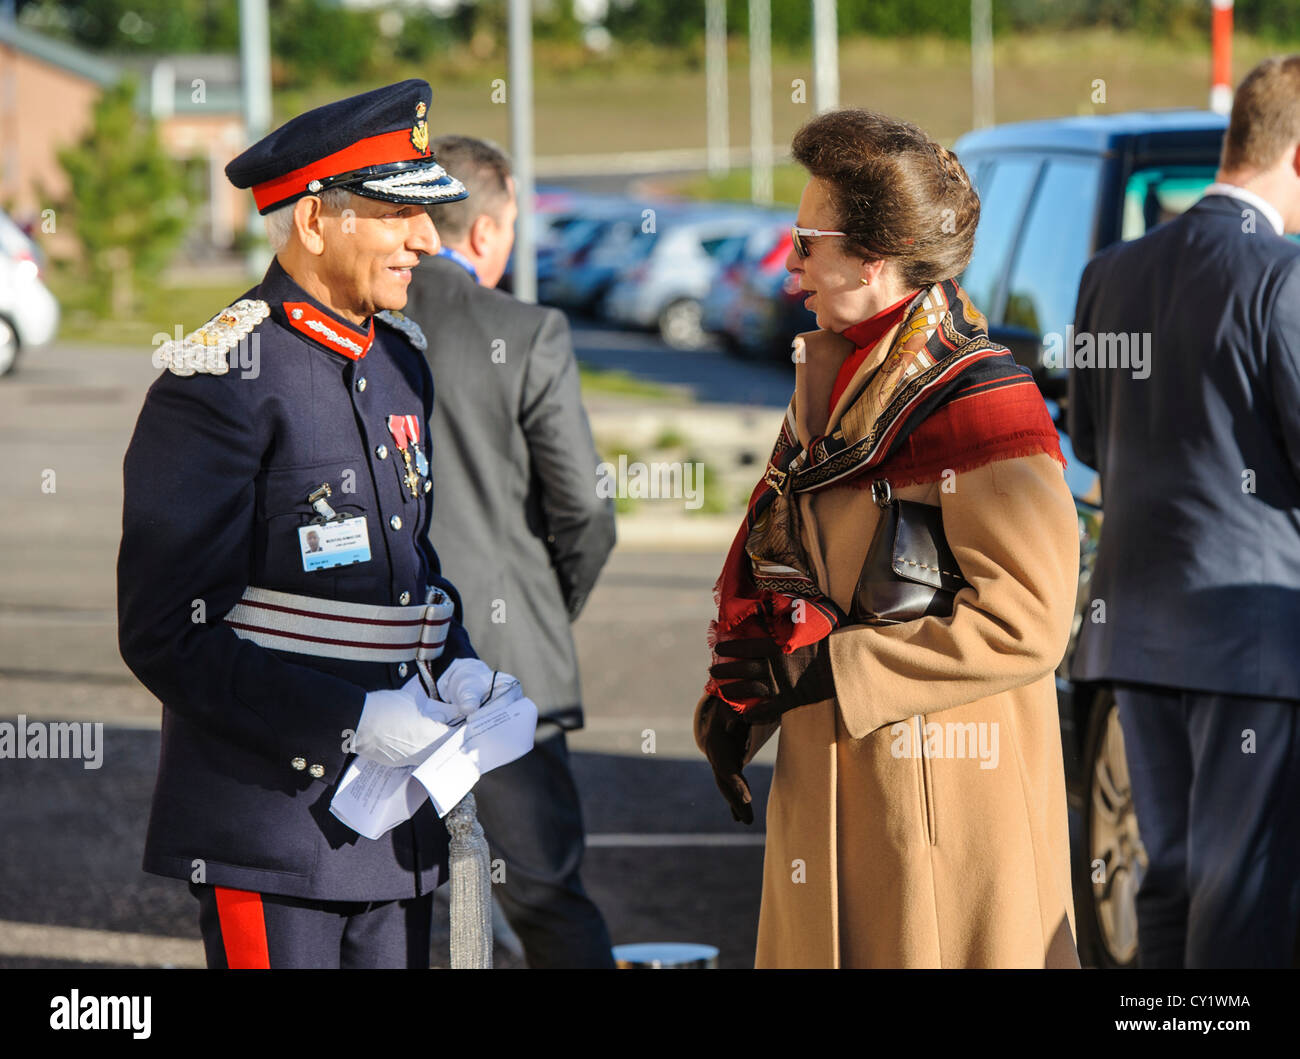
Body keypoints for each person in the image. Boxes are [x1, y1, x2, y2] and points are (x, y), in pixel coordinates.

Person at [118, 80, 510, 969]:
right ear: (313, 220)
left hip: (394, 833)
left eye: (430, 217)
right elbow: (166, 633)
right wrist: (353, 718)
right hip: (274, 829)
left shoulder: (401, 363)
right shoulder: (219, 379)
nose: (427, 240)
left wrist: (463, 671)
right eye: (396, 216)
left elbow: (408, 568)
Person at [696, 108, 1080, 968]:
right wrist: (741, 701)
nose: (789, 264)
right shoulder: (835, 373)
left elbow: (1029, 623)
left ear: (871, 258)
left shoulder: (984, 400)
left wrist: (833, 669)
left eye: (806, 241)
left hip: (936, 814)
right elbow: (792, 569)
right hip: (834, 786)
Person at [1069, 56, 1300, 968]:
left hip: (1133, 627)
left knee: (1169, 883)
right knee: (1241, 897)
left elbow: (1089, 442)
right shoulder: (1281, 277)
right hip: (1249, 637)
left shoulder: (1109, 274)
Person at [402, 135, 617, 968]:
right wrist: (538, 609)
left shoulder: (359, 320)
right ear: (488, 233)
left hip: (378, 671)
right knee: (548, 897)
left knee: (400, 907)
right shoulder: (529, 332)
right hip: (504, 670)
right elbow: (586, 513)